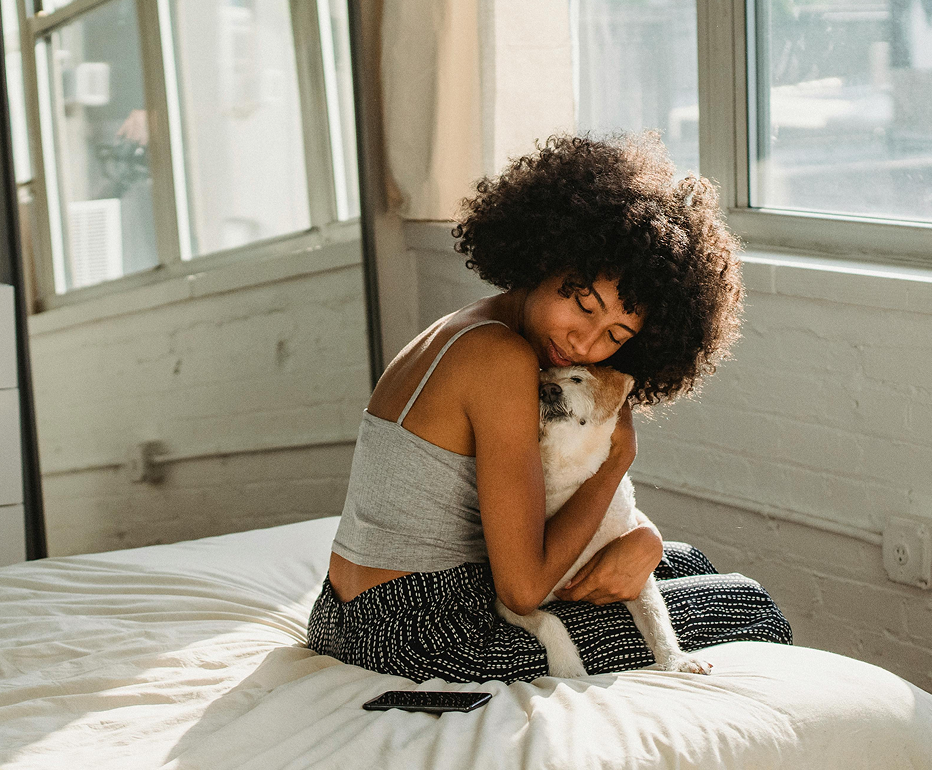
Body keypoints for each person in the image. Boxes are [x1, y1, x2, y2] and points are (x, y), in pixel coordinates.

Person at [307, 131, 791, 683]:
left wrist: (647, 540)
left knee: (683, 562)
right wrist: (616, 461)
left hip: (347, 614)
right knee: (748, 604)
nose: (586, 343)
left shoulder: (469, 328)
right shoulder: (500, 358)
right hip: (420, 633)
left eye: (615, 333)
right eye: (584, 304)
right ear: (547, 255)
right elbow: (524, 588)